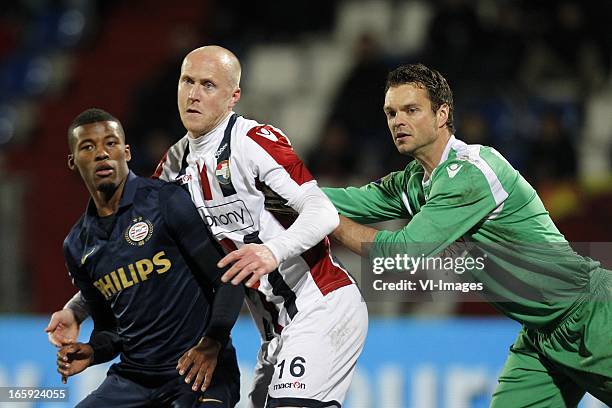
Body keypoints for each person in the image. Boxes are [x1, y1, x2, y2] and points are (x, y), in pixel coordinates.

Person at [47, 46, 368, 408]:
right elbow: (130, 248)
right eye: (188, 82)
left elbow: (323, 213)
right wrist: (77, 310)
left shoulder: (252, 142)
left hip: (319, 304)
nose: (194, 94)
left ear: (233, 97)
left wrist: (271, 251)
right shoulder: (173, 164)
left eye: (208, 85)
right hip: (273, 329)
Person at [321, 63, 612, 407]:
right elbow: (351, 199)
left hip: (591, 316)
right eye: (391, 112)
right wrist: (278, 189)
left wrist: (321, 219)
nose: (398, 121)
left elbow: (400, 255)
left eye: (411, 110)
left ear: (442, 113)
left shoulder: (469, 173)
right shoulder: (418, 181)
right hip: (541, 336)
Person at [55, 108, 243, 407]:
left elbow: (228, 278)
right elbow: (111, 331)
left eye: (111, 143)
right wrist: (93, 352)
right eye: (88, 147)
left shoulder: (165, 201)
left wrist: (213, 342)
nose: (102, 153)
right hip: (134, 380)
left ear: (126, 152)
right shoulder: (77, 246)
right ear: (73, 162)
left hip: (197, 371)